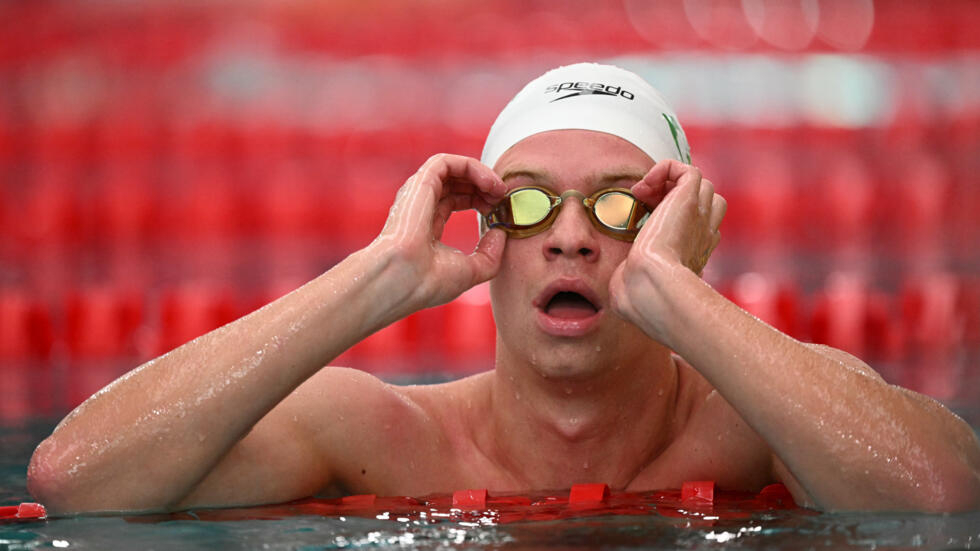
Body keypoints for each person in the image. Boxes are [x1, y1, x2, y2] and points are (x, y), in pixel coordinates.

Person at [28, 63, 980, 514]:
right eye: (527, 205)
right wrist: (377, 277)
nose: (569, 236)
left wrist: (682, 295)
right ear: (487, 232)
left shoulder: (765, 426)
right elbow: (74, 483)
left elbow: (941, 496)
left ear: (671, 233)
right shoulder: (382, 442)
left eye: (617, 210)